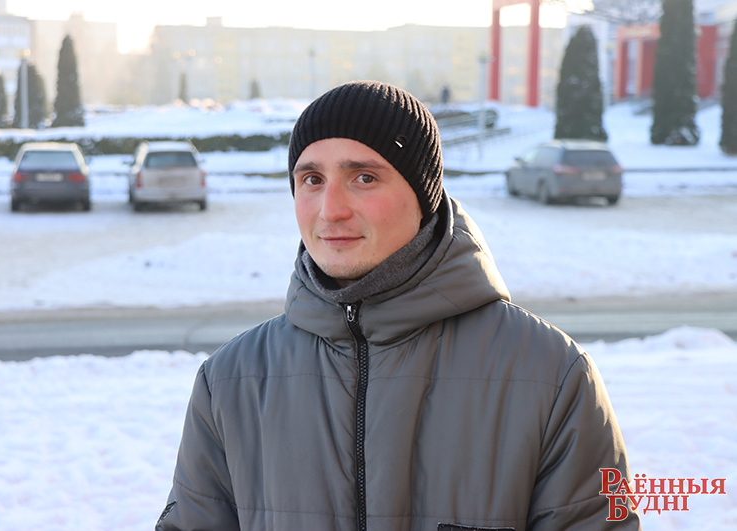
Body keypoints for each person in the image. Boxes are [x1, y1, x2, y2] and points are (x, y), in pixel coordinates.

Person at [156, 81, 640, 531]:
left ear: (423, 195)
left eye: (364, 177)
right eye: (312, 179)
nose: (330, 210)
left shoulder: (550, 375)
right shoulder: (230, 382)